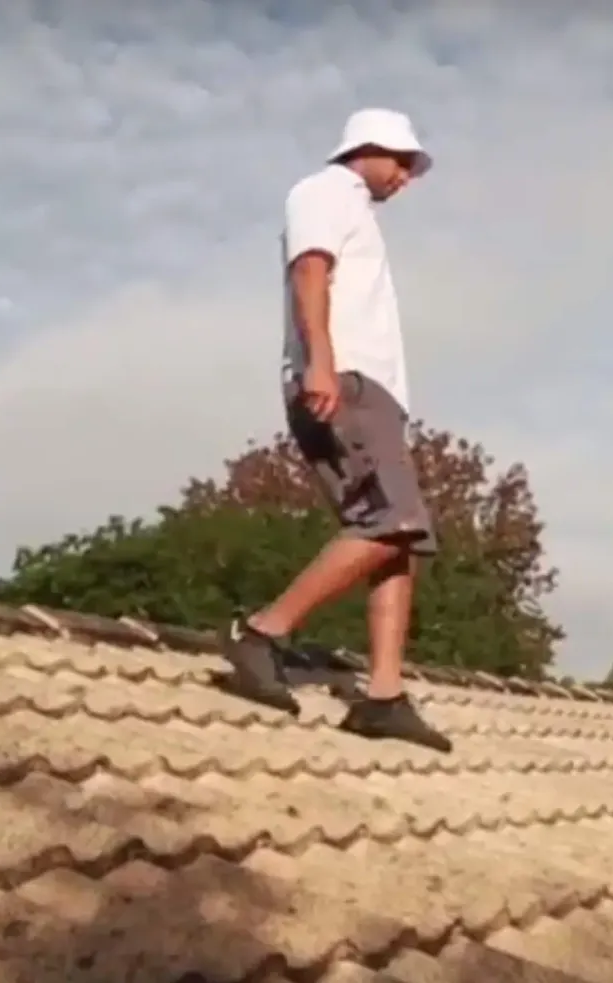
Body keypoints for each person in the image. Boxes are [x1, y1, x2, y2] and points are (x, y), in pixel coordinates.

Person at [219, 108, 452, 752]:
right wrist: (320, 362)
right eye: (402, 161)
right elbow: (310, 271)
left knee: (397, 542)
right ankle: (261, 634)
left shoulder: (357, 211)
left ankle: (383, 696)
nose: (407, 176)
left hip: (370, 389)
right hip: (344, 379)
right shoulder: (322, 192)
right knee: (393, 521)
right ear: (368, 149)